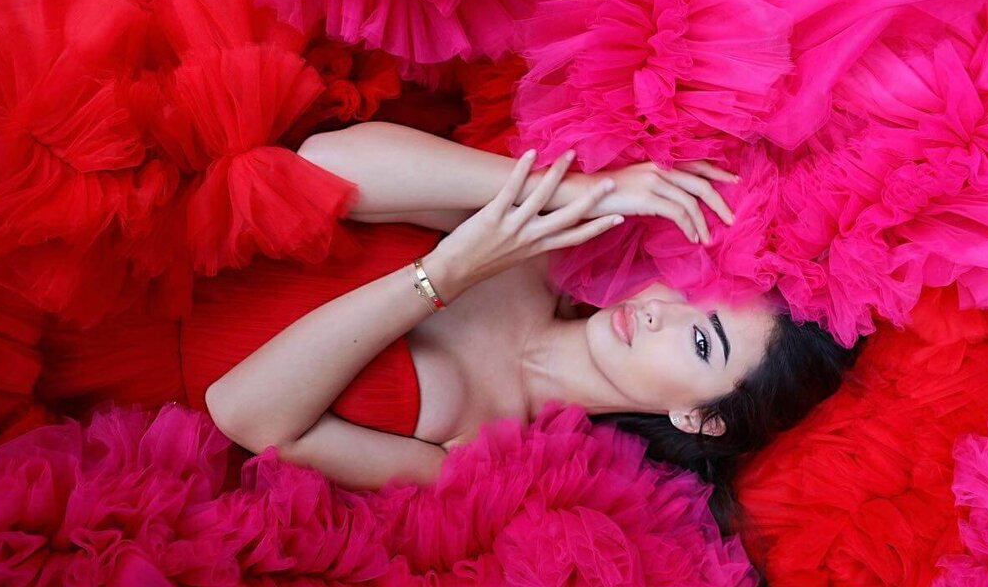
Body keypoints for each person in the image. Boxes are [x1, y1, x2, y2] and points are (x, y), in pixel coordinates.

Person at [205, 122, 860, 533]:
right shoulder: (539, 253)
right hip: (182, 250)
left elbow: (241, 413)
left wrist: (446, 273)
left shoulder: (476, 454)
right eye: (691, 291)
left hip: (129, 387)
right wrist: (573, 193)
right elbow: (316, 166)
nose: (664, 310)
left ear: (697, 417)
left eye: (700, 341)